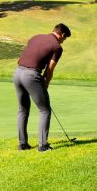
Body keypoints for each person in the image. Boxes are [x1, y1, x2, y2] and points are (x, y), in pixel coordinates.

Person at [15, 23, 70, 152]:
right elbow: (49, 70)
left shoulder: (36, 37)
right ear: (62, 35)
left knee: (23, 109)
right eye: (65, 38)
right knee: (45, 110)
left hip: (17, 73)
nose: (63, 41)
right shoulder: (57, 47)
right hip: (31, 76)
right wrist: (45, 86)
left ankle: (22, 144)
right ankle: (43, 146)